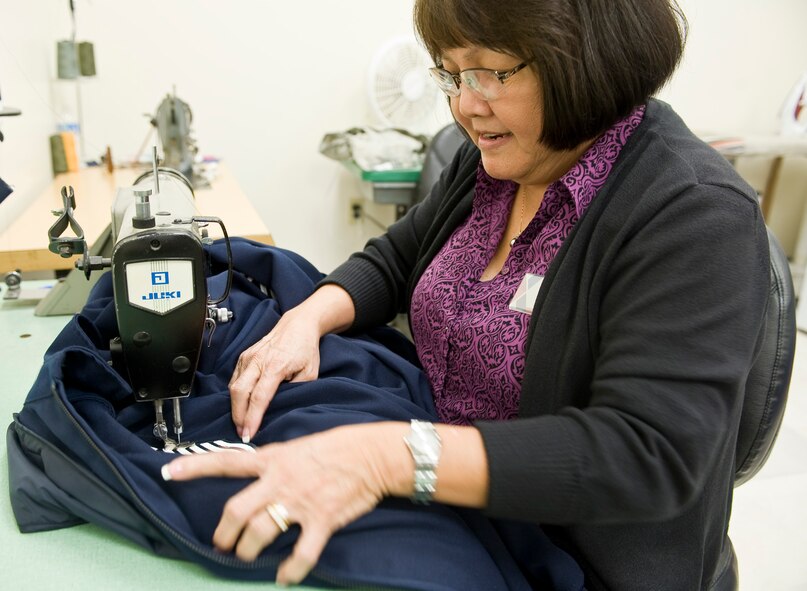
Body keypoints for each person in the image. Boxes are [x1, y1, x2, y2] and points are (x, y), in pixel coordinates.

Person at [161, 1, 771, 588]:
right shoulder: (493, 163)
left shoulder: (693, 213)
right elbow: (396, 258)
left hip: (567, 558)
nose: (464, 105)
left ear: (587, 57)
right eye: (452, 75)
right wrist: (306, 319)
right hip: (447, 499)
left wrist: (382, 458)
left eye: (489, 73)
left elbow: (643, 455)